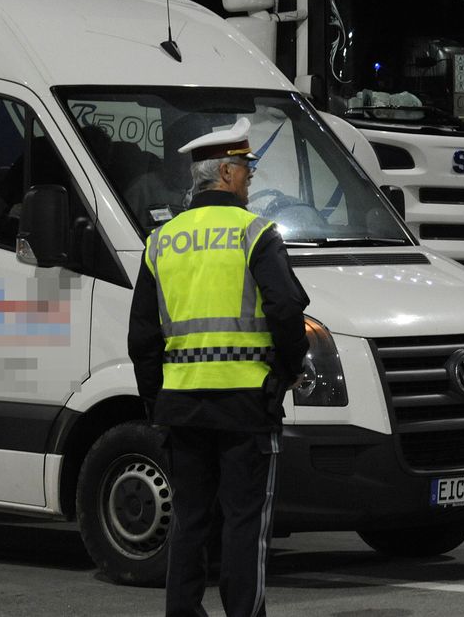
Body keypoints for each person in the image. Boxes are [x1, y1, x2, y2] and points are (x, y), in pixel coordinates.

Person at [127, 116, 310, 616]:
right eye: (246, 170)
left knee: (189, 522)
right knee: (244, 524)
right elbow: (286, 309)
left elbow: (142, 338)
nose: (250, 180)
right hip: (246, 406)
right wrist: (285, 373)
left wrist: (156, 403)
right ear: (226, 174)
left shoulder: (162, 241)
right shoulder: (256, 234)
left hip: (182, 407)